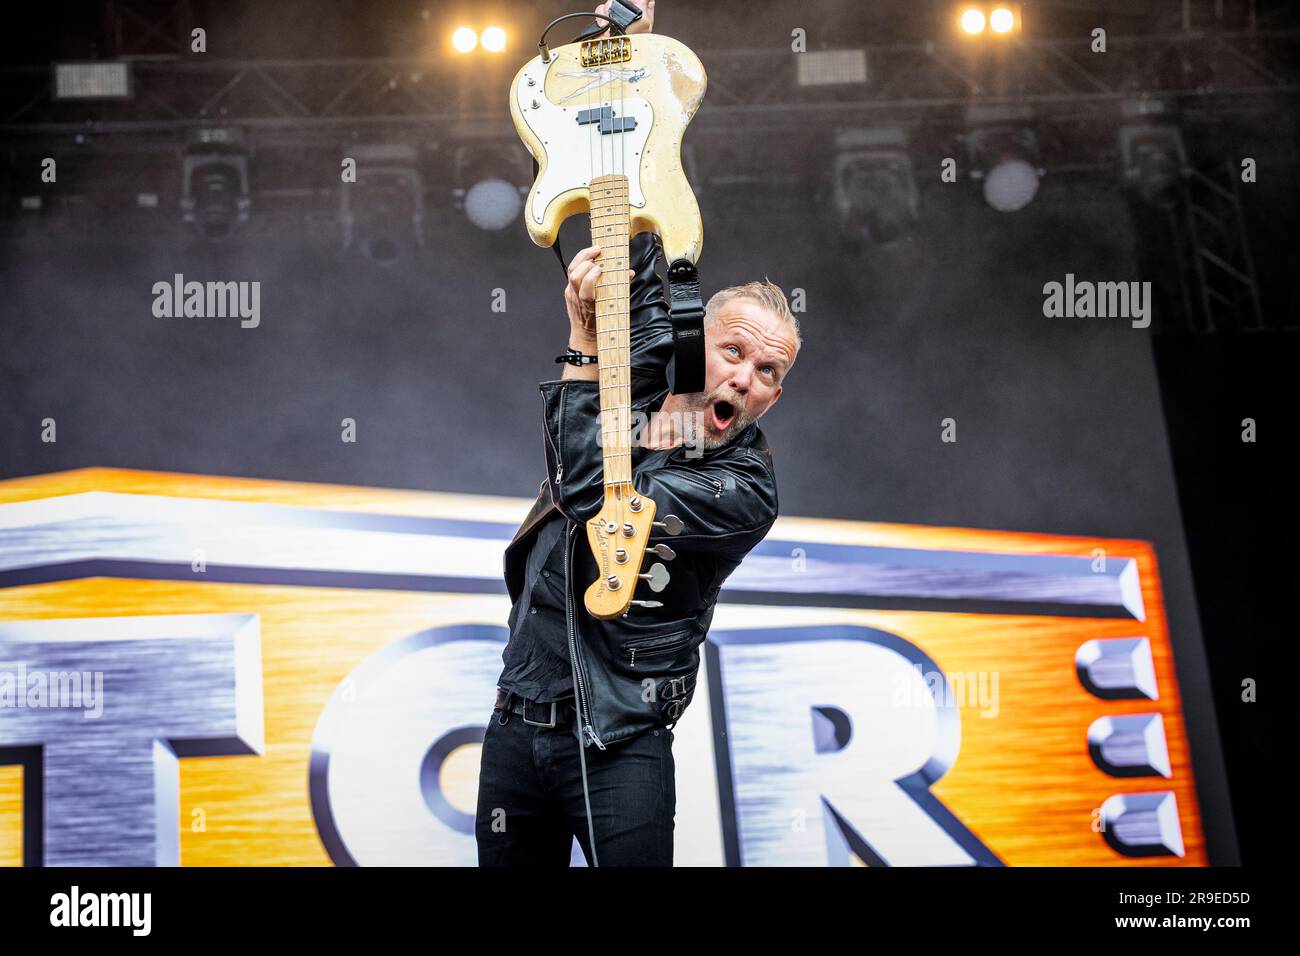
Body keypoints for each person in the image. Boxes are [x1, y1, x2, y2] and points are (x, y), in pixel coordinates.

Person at [475, 0, 801, 867]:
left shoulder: (744, 489)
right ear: (700, 345)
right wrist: (617, 53)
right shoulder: (647, 370)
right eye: (736, 352)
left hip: (618, 738)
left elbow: (597, 496)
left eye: (771, 373)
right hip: (516, 722)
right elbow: (635, 232)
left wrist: (583, 346)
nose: (750, 378)